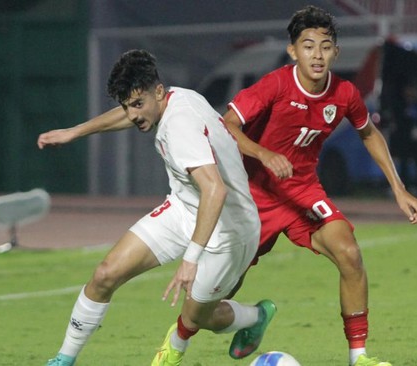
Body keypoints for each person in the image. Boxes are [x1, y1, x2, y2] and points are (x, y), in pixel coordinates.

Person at [37, 50, 276, 366]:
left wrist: (190, 259)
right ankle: (64, 359)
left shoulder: (179, 128)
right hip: (184, 209)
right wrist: (76, 132)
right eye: (127, 105)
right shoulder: (173, 97)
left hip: (229, 229)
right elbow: (131, 112)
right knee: (105, 274)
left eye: (138, 104)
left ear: (159, 92)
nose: (133, 115)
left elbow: (215, 191)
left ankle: (256, 316)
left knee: (198, 316)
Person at [222, 6, 417, 366]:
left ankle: (358, 358)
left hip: (302, 191)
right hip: (254, 194)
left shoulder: (344, 93)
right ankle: (243, 321)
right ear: (293, 51)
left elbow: (369, 132)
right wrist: (263, 154)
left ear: (336, 52)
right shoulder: (277, 84)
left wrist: (398, 187)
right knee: (216, 290)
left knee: (349, 253)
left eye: (325, 46)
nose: (317, 55)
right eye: (309, 46)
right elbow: (227, 124)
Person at [387, 79, 417, 195]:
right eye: (409, 90)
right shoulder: (400, 105)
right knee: (403, 163)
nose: (411, 93)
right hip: (404, 138)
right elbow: (397, 121)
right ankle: (404, 188)